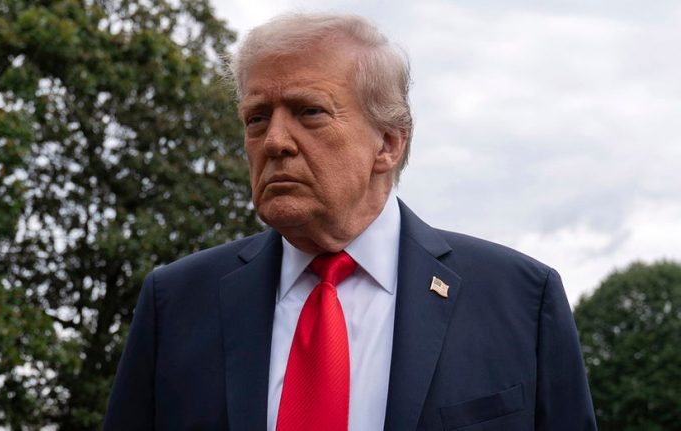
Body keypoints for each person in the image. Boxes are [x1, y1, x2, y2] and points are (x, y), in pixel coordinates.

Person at [104, 12, 596, 431]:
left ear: (388, 143)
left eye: (309, 112)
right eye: (256, 118)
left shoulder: (522, 300)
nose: (275, 140)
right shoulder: (175, 304)